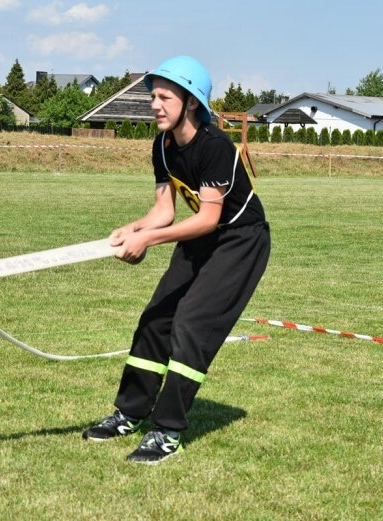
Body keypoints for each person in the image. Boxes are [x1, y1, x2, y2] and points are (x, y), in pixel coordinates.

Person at [82, 56, 271, 464]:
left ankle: (166, 431)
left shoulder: (215, 146)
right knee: (156, 318)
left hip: (241, 241)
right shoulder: (163, 146)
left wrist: (150, 239)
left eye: (165, 97)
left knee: (191, 323)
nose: (155, 105)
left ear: (190, 102)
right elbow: (163, 213)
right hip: (202, 237)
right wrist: (134, 229)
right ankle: (129, 413)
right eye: (153, 96)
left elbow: (208, 217)